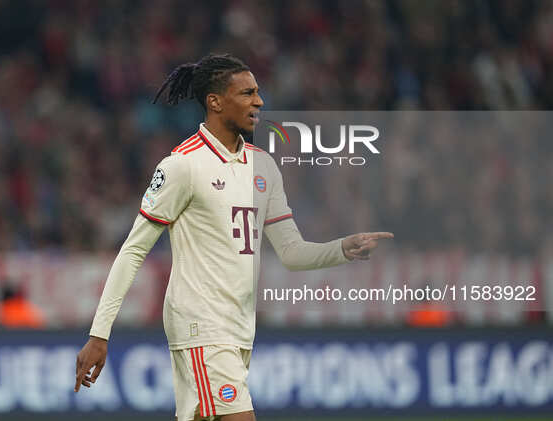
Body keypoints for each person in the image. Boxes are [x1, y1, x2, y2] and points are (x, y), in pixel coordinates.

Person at [74, 54, 393, 421]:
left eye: (258, 92)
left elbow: (290, 251)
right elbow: (133, 251)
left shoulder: (264, 167)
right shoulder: (182, 165)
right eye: (247, 93)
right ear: (215, 102)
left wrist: (341, 249)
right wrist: (100, 334)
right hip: (201, 324)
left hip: (239, 328)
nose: (259, 101)